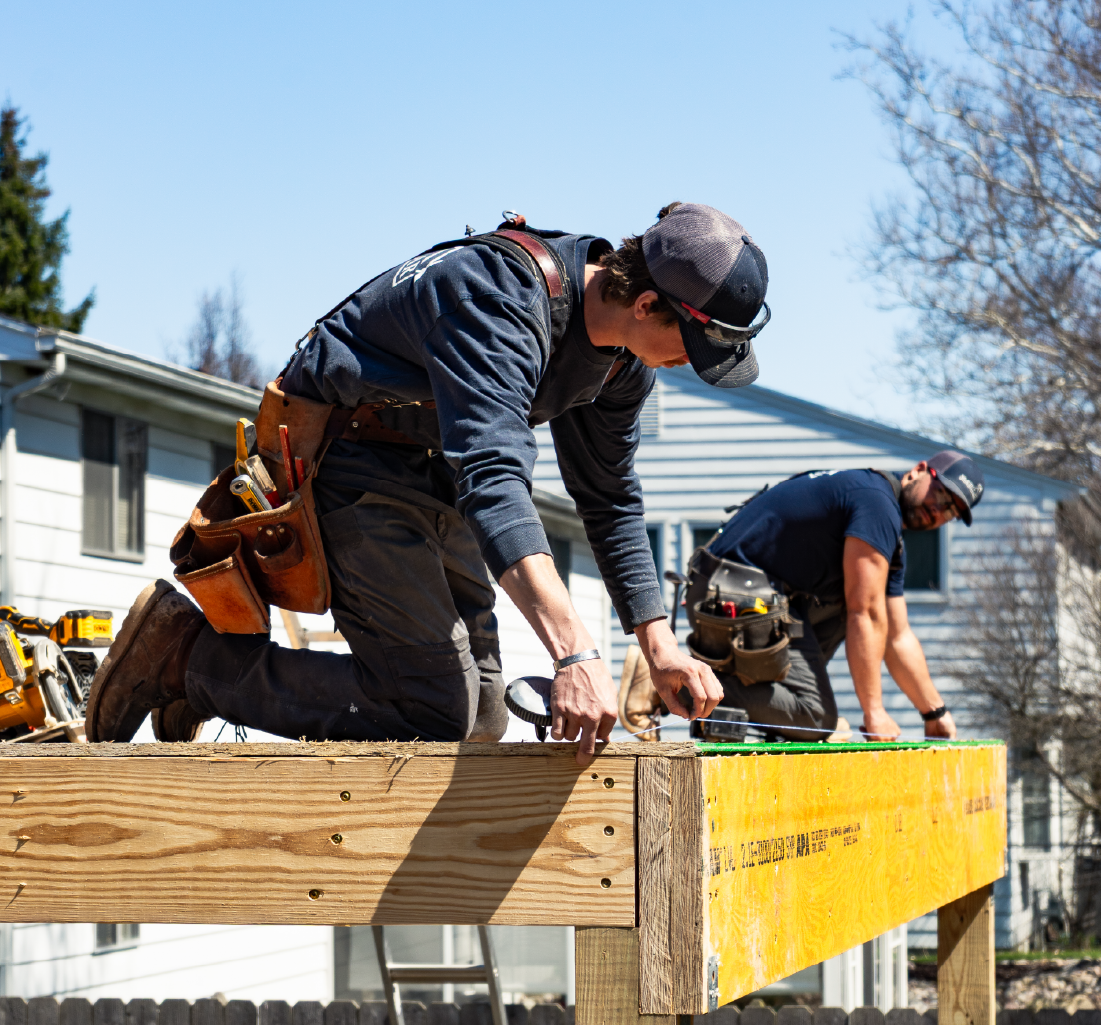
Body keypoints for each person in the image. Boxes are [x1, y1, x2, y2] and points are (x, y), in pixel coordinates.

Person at [86, 203, 772, 762]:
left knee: (480, 714)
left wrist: (658, 649)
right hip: (347, 455)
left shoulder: (622, 364)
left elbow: (611, 498)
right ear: (647, 301)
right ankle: (186, 657)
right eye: (694, 345)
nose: (691, 365)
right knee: (429, 707)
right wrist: (575, 652)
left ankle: (217, 677)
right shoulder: (500, 296)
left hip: (432, 473)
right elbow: (494, 476)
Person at [621, 450, 984, 743]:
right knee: (814, 717)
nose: (940, 510)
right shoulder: (877, 502)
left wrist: (934, 713)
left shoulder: (887, 533)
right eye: (942, 494)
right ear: (918, 471)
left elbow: (896, 634)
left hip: (752, 592)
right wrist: (874, 713)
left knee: (857, 613)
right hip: (732, 588)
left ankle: (783, 709)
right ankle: (672, 682)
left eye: (951, 512)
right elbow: (865, 613)